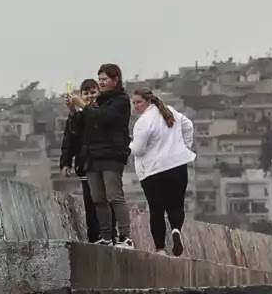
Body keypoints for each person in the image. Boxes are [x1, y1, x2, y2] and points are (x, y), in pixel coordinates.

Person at [130, 88, 197, 256]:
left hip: (154, 171)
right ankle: (176, 230)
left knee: (157, 209)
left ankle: (160, 249)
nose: (135, 106)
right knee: (176, 205)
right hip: (177, 167)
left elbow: (137, 150)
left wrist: (128, 145)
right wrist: (184, 146)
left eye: (138, 102)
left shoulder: (143, 122)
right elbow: (188, 126)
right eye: (134, 103)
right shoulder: (170, 111)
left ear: (148, 101)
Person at [77, 63, 133, 247]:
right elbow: (82, 126)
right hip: (92, 156)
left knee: (114, 196)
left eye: (104, 79)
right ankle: (106, 236)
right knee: (98, 198)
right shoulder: (98, 102)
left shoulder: (121, 100)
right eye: (99, 79)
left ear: (115, 80)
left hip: (111, 155)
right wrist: (74, 110)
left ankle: (125, 236)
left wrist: (84, 107)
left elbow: (103, 118)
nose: (101, 83)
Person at [60, 78, 101, 242]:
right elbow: (69, 139)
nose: (90, 96)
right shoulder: (78, 116)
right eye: (86, 93)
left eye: (93, 92)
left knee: (106, 200)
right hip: (85, 165)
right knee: (90, 202)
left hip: (103, 164)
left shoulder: (104, 113)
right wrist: (65, 163)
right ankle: (94, 236)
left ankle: (110, 234)